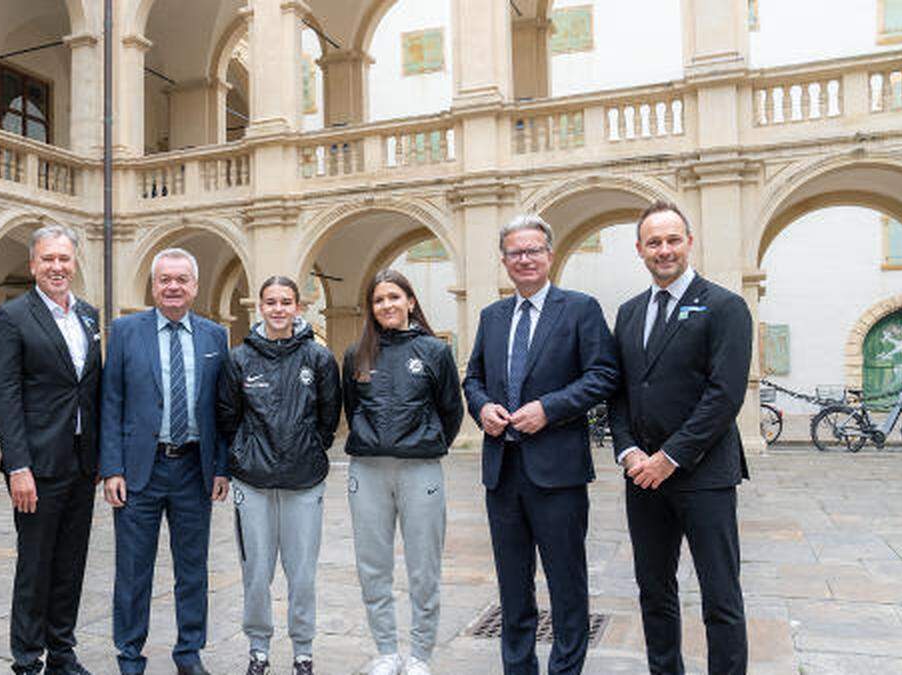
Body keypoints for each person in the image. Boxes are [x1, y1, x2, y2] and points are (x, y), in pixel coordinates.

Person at [462, 214, 619, 675]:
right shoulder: (492, 316)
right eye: (515, 252)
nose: (525, 258)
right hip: (503, 472)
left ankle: (565, 670)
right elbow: (472, 377)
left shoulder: (579, 309)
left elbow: (604, 374)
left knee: (567, 584)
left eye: (533, 250)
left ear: (549, 255)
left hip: (558, 474)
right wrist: (483, 407)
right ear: (504, 261)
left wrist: (550, 408)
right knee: (513, 587)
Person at [609, 200, 752, 675]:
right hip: (642, 478)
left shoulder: (725, 306)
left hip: (703, 474)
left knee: (720, 595)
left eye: (673, 240)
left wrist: (670, 457)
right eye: (654, 242)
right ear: (640, 249)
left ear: (689, 242)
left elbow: (724, 394)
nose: (664, 250)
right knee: (654, 591)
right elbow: (622, 391)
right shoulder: (629, 313)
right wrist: (629, 451)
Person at [99, 248, 230, 675]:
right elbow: (111, 402)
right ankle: (129, 656)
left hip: (195, 469)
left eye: (181, 280)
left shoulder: (215, 337)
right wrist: (112, 469)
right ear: (153, 286)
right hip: (140, 470)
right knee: (133, 571)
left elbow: (223, 409)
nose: (173, 287)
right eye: (164, 280)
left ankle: (189, 654)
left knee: (192, 571)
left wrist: (222, 467)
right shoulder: (125, 331)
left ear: (194, 286)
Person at [0, 224, 102, 675]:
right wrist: (17, 466)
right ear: (33, 264)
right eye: (48, 259)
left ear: (74, 263)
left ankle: (62, 652)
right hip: (36, 465)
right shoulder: (12, 317)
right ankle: (27, 658)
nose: (57, 267)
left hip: (81, 464)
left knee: (71, 563)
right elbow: (6, 396)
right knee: (35, 565)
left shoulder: (89, 316)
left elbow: (90, 389)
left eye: (64, 259)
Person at [217, 276, 342, 675]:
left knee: (302, 572)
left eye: (285, 301)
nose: (278, 309)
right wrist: (244, 451)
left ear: (298, 307)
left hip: (304, 481)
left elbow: (329, 417)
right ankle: (258, 649)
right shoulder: (239, 359)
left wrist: (307, 446)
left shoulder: (318, 358)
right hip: (251, 481)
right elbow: (227, 416)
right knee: (256, 571)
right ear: (260, 307)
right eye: (270, 302)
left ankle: (303, 650)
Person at [341, 269, 463, 675]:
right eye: (378, 300)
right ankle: (387, 651)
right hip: (368, 471)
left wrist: (425, 441)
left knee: (423, 567)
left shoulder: (434, 351)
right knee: (372, 564)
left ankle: (421, 654)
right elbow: (351, 408)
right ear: (371, 308)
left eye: (395, 297)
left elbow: (451, 411)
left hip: (420, 470)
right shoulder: (356, 355)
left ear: (410, 301)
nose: (387, 305)